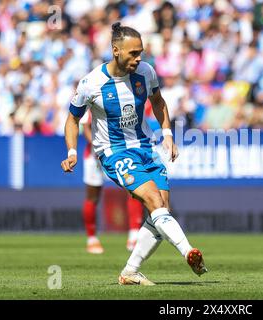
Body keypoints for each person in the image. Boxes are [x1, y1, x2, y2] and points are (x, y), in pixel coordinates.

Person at [61, 22, 207, 286]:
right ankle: (189, 252)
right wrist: (72, 151)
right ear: (116, 51)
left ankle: (130, 272)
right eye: (133, 53)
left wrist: (167, 135)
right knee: (153, 200)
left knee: (160, 209)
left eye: (141, 52)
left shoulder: (146, 72)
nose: (138, 58)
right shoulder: (91, 83)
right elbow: (72, 119)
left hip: (146, 148)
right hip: (114, 152)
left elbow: (158, 102)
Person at [79, 109, 144, 254]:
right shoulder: (93, 95)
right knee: (92, 197)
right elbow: (86, 127)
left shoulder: (121, 99)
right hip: (96, 156)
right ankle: (92, 239)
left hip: (120, 153)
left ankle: (134, 236)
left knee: (133, 190)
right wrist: (97, 147)